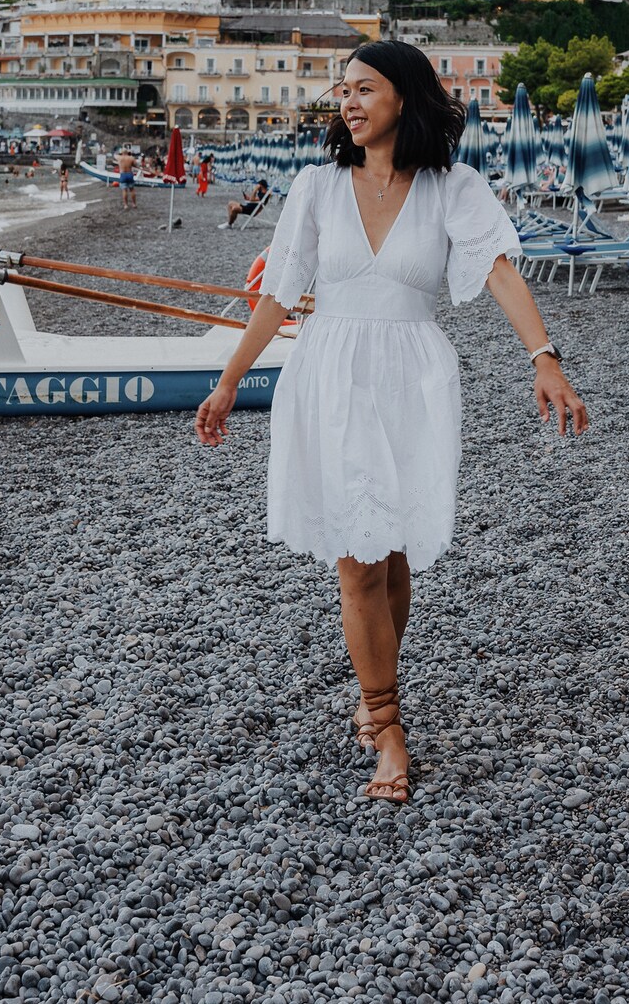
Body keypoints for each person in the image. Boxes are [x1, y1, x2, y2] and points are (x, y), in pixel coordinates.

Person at [196, 39, 587, 806]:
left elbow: (499, 271)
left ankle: (374, 699)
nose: (348, 102)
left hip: (413, 381)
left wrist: (545, 359)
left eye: (365, 88)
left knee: (394, 555)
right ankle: (388, 726)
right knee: (360, 561)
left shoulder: (451, 188)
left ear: (404, 97)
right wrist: (229, 381)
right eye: (343, 90)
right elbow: (279, 292)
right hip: (331, 377)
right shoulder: (316, 186)